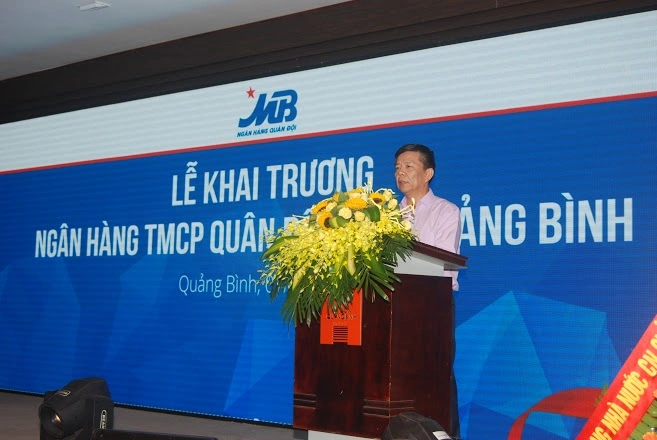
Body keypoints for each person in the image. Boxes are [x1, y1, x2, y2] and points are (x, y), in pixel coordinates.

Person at [394, 143, 462, 438]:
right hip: (393, 307)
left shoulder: (445, 211)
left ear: (428, 173)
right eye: (397, 167)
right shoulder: (385, 217)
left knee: (437, 379)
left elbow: (445, 260)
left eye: (409, 166)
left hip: (433, 307)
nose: (401, 173)